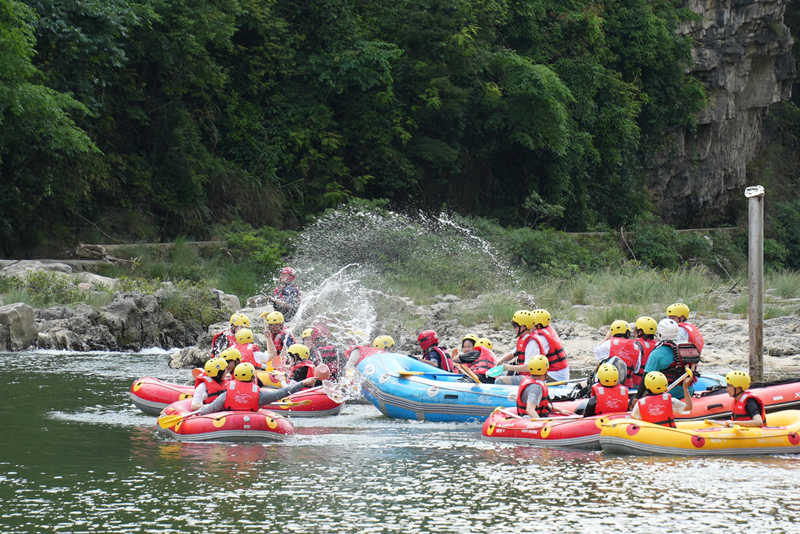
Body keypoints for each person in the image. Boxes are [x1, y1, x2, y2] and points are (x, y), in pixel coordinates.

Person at [197, 362, 316, 415]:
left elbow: (209, 409)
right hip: (255, 425)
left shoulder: (226, 395)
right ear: (253, 377)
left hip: (227, 424)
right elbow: (283, 392)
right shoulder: (260, 395)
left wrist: (200, 411)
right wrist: (303, 383)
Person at [640, 318, 699, 401]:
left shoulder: (657, 354)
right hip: (688, 391)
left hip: (669, 394)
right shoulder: (686, 349)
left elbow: (645, 379)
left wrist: (637, 397)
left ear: (659, 333)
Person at [593, 320, 644, 388]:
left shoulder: (608, 343)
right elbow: (636, 370)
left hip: (608, 384)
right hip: (627, 386)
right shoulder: (636, 347)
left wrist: (606, 338)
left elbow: (596, 354)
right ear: (627, 333)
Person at [495, 310, 538, 385]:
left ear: (524, 327)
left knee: (500, 381)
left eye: (515, 326)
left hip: (531, 378)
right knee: (498, 375)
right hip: (524, 375)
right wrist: (501, 360)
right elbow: (514, 353)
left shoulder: (532, 343)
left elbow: (528, 368)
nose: (514, 328)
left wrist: (508, 367)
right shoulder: (523, 339)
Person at [530, 309, 570, 382]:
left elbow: (536, 359)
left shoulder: (542, 338)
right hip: (559, 373)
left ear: (538, 325)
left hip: (554, 376)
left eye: (532, 323)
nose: (529, 325)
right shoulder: (548, 330)